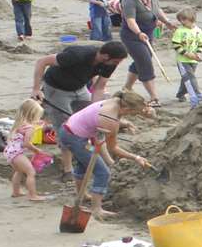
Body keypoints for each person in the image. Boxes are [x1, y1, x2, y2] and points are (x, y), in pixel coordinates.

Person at [59, 88, 153, 220]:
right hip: (74, 138)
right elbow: (113, 148)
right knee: (103, 172)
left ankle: (83, 194)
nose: (133, 116)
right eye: (133, 113)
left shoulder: (116, 100)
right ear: (126, 109)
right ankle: (96, 209)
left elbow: (107, 122)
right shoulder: (110, 121)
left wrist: (126, 122)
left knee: (82, 164)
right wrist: (135, 157)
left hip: (68, 129)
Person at [31, 40, 128, 149]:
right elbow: (42, 61)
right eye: (116, 61)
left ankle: (87, 146)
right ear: (106, 56)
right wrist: (36, 89)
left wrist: (96, 109)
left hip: (80, 87)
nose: (117, 64)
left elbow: (99, 87)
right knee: (64, 124)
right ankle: (67, 156)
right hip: (56, 88)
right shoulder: (78, 55)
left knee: (89, 116)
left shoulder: (109, 64)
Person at [117, 0, 170, 106]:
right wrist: (138, 32)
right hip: (132, 36)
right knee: (145, 62)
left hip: (148, 32)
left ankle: (127, 88)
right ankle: (154, 97)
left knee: (140, 61)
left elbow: (157, 10)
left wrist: (167, 22)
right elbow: (130, 20)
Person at [6, 99, 52, 201]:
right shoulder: (30, 128)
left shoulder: (19, 123)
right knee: (31, 172)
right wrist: (36, 150)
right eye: (38, 116)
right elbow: (26, 143)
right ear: (33, 115)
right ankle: (33, 195)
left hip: (9, 151)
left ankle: (16, 192)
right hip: (17, 153)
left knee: (18, 171)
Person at [169, 5, 202, 106]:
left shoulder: (198, 31)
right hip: (182, 60)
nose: (182, 22)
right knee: (190, 77)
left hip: (194, 60)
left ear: (191, 18)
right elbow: (176, 45)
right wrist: (187, 54)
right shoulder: (179, 31)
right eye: (180, 20)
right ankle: (198, 95)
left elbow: (200, 44)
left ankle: (180, 93)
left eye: (184, 19)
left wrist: (198, 54)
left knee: (186, 77)